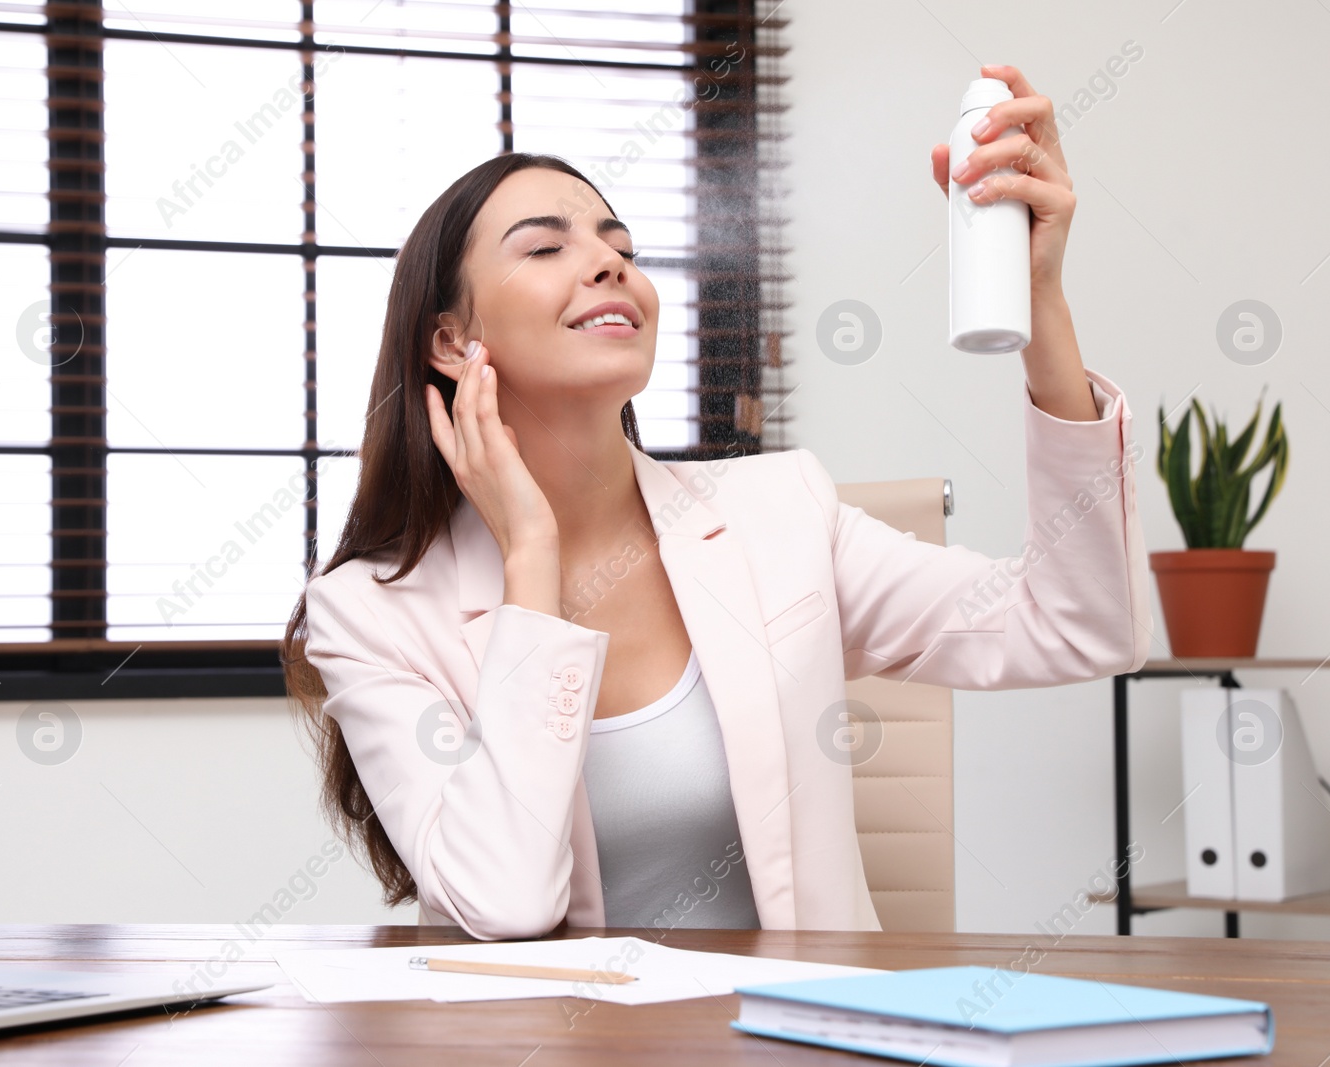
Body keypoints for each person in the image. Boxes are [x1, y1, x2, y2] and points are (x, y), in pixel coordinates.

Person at [282, 64, 1151, 942]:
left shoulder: (782, 514)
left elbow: (1078, 623)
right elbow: (503, 905)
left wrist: (1039, 301)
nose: (608, 263)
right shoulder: (369, 611)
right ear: (450, 339)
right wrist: (530, 560)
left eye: (620, 246)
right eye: (547, 249)